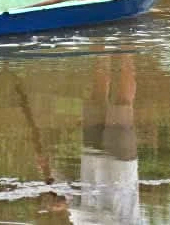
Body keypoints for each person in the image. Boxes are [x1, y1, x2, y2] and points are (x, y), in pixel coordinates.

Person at [71, 51, 140, 224]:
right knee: (122, 103)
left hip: (90, 164)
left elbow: (71, 202)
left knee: (96, 97)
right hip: (120, 169)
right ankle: (126, 48)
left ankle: (100, 46)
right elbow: (111, 218)